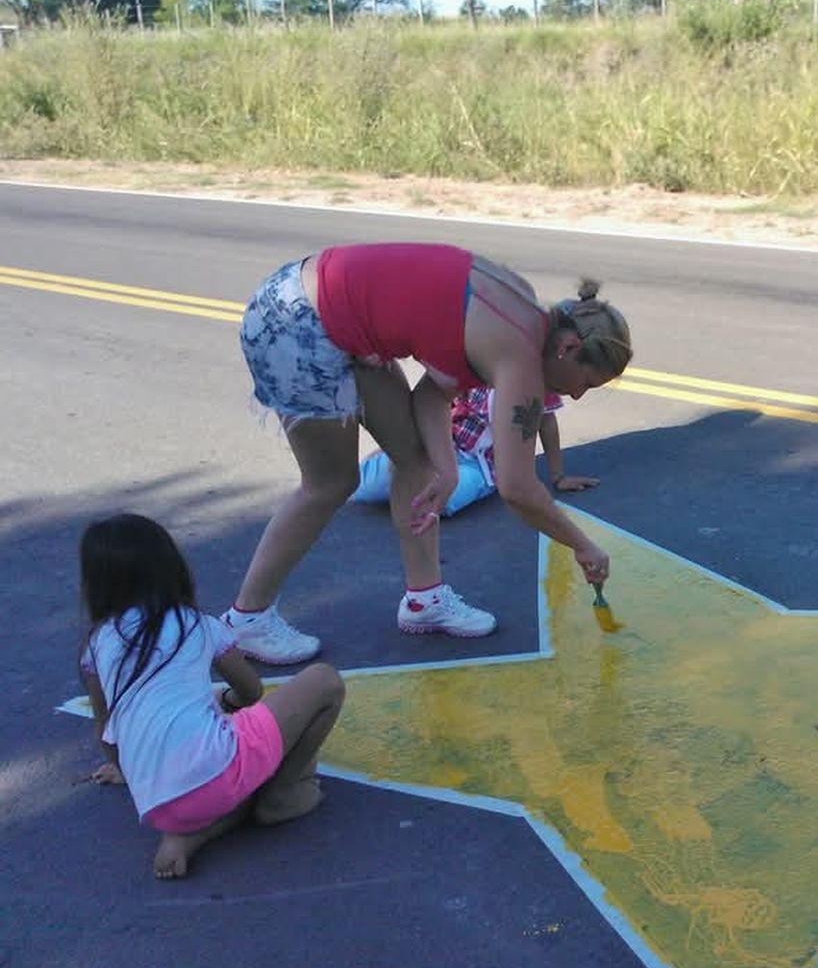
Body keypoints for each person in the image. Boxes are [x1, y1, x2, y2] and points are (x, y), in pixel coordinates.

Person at [225, 244, 631, 664]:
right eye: (587, 381)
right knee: (330, 482)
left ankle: (424, 600)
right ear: (566, 347)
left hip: (333, 317)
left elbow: (432, 395)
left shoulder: (525, 317)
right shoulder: (520, 356)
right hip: (296, 321)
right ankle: (246, 620)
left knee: (419, 463)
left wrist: (446, 466)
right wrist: (583, 547)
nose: (579, 395)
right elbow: (517, 487)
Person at [79, 513, 346, 880]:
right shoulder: (197, 624)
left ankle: (187, 838)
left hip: (156, 805)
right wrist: (231, 704)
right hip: (217, 773)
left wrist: (127, 771)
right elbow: (251, 691)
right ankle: (284, 793)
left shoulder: (95, 646)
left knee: (209, 783)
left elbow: (105, 726)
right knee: (324, 681)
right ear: (170, 567)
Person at [349, 387, 598, 517]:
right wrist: (391, 448)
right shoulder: (476, 361)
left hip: (481, 468)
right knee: (362, 488)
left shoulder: (537, 380)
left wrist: (558, 476)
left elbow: (546, 421)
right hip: (440, 448)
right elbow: (435, 405)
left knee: (442, 503)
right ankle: (401, 476)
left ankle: (414, 485)